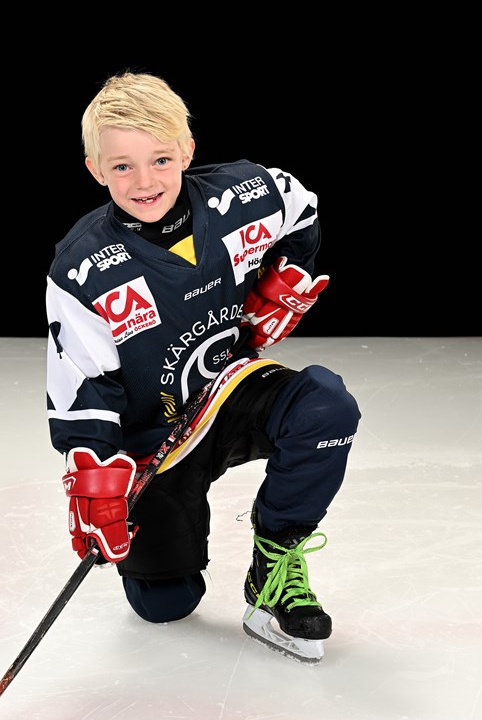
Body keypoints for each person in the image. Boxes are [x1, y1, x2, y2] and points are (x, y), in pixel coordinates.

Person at [46, 70, 361, 663]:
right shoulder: (84, 266)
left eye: (161, 159)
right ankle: (170, 551)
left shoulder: (242, 196)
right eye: (122, 166)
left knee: (325, 406)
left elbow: (301, 208)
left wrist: (283, 277)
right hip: (156, 439)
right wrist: (95, 477)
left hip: (230, 387)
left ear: (188, 150)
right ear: (94, 169)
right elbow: (84, 386)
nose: (145, 182)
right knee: (166, 604)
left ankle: (274, 565)